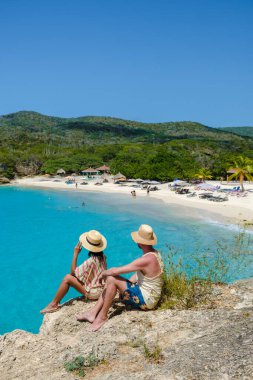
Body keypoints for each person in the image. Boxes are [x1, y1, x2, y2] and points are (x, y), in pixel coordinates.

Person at [77, 224, 164, 332]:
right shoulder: (155, 254)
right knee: (111, 280)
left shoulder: (145, 260)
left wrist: (103, 273)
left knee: (112, 278)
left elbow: (116, 271)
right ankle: (93, 313)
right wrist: (125, 286)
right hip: (151, 296)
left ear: (139, 242)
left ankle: (102, 317)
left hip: (146, 300)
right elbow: (141, 275)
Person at [40, 230, 107, 314]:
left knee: (67, 278)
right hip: (102, 290)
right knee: (71, 277)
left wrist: (75, 254)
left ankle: (54, 304)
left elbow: (72, 273)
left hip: (94, 294)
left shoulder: (91, 261)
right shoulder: (103, 257)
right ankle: (54, 304)